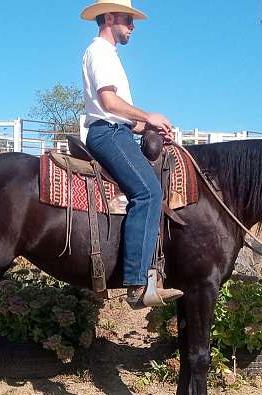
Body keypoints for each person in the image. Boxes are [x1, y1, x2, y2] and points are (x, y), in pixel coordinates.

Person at [80, 0, 183, 309]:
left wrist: (148, 127)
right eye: (128, 19)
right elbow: (109, 103)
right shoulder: (99, 52)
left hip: (117, 130)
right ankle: (137, 284)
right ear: (109, 17)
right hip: (107, 133)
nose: (132, 27)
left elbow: (119, 112)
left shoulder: (108, 55)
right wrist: (148, 116)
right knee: (149, 193)